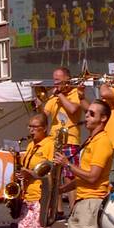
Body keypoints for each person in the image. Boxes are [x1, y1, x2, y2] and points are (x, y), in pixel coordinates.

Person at [54, 100, 114, 228]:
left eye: (91, 113)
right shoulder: (90, 140)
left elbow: (93, 176)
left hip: (93, 201)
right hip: (80, 200)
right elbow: (82, 176)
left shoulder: (103, 142)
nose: (86, 116)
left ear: (103, 118)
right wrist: (59, 189)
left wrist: (67, 165)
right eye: (87, 113)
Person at [14, 113, 57, 228]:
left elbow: (50, 172)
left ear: (44, 128)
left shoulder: (50, 145)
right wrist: (20, 175)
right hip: (27, 197)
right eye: (29, 126)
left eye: (35, 127)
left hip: (42, 197)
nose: (31, 130)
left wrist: (31, 173)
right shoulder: (31, 145)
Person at [39, 67, 82, 217]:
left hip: (70, 139)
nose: (55, 82)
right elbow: (43, 118)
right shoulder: (53, 98)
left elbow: (73, 109)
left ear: (67, 79)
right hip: (53, 141)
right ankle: (58, 210)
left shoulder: (75, 93)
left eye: (57, 79)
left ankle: (74, 210)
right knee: (54, 176)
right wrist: (39, 104)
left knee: (70, 176)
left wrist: (59, 96)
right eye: (54, 79)